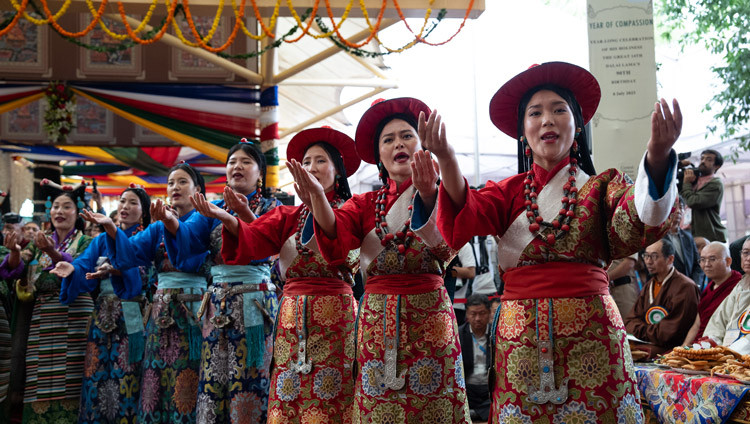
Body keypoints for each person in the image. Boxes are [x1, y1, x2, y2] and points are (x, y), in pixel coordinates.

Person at [428, 62, 681, 421]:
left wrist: (656, 158)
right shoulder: (507, 194)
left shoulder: (601, 187)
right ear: (522, 132)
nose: (547, 119)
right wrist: (447, 158)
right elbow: (464, 214)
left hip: (593, 338)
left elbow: (638, 218)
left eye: (559, 109)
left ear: (577, 126)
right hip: (521, 345)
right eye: (535, 112)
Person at [287, 97, 471, 422]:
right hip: (376, 326)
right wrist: (318, 196)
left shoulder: (442, 191)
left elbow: (449, 247)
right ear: (380, 155)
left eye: (406, 136)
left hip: (431, 319)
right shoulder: (363, 204)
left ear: (422, 144)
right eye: (388, 140)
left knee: (434, 409)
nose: (398, 144)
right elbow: (337, 237)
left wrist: (429, 196)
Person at [203, 127, 361, 423]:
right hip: (290, 324)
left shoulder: (352, 210)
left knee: (330, 401)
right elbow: (255, 239)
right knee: (288, 399)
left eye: (320, 161)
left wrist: (316, 198)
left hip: (335, 321)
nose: (312, 168)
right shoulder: (289, 215)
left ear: (338, 171)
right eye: (307, 161)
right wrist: (228, 217)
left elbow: (336, 241)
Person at [154, 141, 280, 424]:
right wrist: (169, 222)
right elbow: (188, 242)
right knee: (214, 379)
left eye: (246, 162)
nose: (237, 166)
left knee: (251, 378)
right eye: (232, 161)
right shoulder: (211, 209)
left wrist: (227, 216)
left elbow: (266, 245)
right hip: (218, 305)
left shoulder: (273, 207)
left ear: (261, 173)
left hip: (254, 304)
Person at [88, 164, 207, 423]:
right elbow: (129, 255)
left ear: (197, 190)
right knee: (156, 380)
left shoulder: (205, 220)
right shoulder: (156, 228)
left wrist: (169, 222)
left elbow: (192, 254)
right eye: (171, 182)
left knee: (188, 378)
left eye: (182, 182)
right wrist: (110, 227)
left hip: (194, 312)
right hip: (162, 312)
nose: (175, 187)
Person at [51, 185, 152, 423]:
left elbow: (146, 275)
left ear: (144, 212)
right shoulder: (101, 241)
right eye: (122, 201)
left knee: (128, 375)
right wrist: (72, 269)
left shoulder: (147, 236)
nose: (125, 207)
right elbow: (84, 265)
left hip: (132, 314)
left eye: (133, 203)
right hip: (102, 316)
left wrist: (116, 270)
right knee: (96, 375)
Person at [0, 182, 94, 422]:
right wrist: (13, 252)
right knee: (39, 378)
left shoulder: (87, 242)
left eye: (67, 207)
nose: (59, 212)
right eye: (56, 207)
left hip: (75, 319)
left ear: (78, 211)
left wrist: (53, 253)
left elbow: (81, 270)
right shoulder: (39, 242)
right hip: (43, 320)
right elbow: (17, 268)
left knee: (73, 378)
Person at [625, 239, 699, 355]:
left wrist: (640, 330)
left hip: (672, 347)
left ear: (670, 259)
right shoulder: (649, 285)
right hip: (649, 341)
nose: (648, 261)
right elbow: (629, 322)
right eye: (646, 256)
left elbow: (670, 331)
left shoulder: (685, 287)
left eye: (654, 256)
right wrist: (647, 331)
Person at [682, 241, 742, 345]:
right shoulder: (710, 287)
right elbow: (697, 324)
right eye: (702, 260)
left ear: (728, 261)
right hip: (700, 343)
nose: (706, 264)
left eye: (712, 259)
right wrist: (683, 347)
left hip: (720, 346)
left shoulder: (738, 286)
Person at [703, 238, 750, 345]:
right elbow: (718, 321)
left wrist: (729, 352)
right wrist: (712, 343)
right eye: (746, 253)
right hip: (724, 353)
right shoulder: (740, 285)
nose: (748, 258)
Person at [680, 149, 728, 242]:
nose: (703, 162)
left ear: (717, 166)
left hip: (707, 236)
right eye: (702, 158)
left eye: (708, 160)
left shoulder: (715, 183)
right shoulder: (693, 179)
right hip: (686, 232)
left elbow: (693, 202)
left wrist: (686, 184)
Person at [458, 294, 492, 422]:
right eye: (473, 314)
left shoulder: (496, 334)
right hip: (469, 387)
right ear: (467, 314)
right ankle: (480, 413)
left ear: (489, 313)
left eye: (482, 313)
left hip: (488, 387)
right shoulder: (459, 334)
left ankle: (474, 413)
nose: (478, 318)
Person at [666, 196, 704, 286]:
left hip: (690, 289)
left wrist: (696, 284)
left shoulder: (688, 236)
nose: (679, 211)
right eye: (675, 207)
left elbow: (697, 264)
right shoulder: (657, 238)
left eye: (681, 207)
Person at [448, 242, 476, 317]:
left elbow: (470, 272)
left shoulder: (464, 245)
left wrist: (448, 271)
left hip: (458, 304)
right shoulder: (431, 242)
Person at [608, 253, 639, 318]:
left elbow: (629, 264)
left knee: (628, 323)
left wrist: (604, 278)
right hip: (604, 289)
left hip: (623, 288)